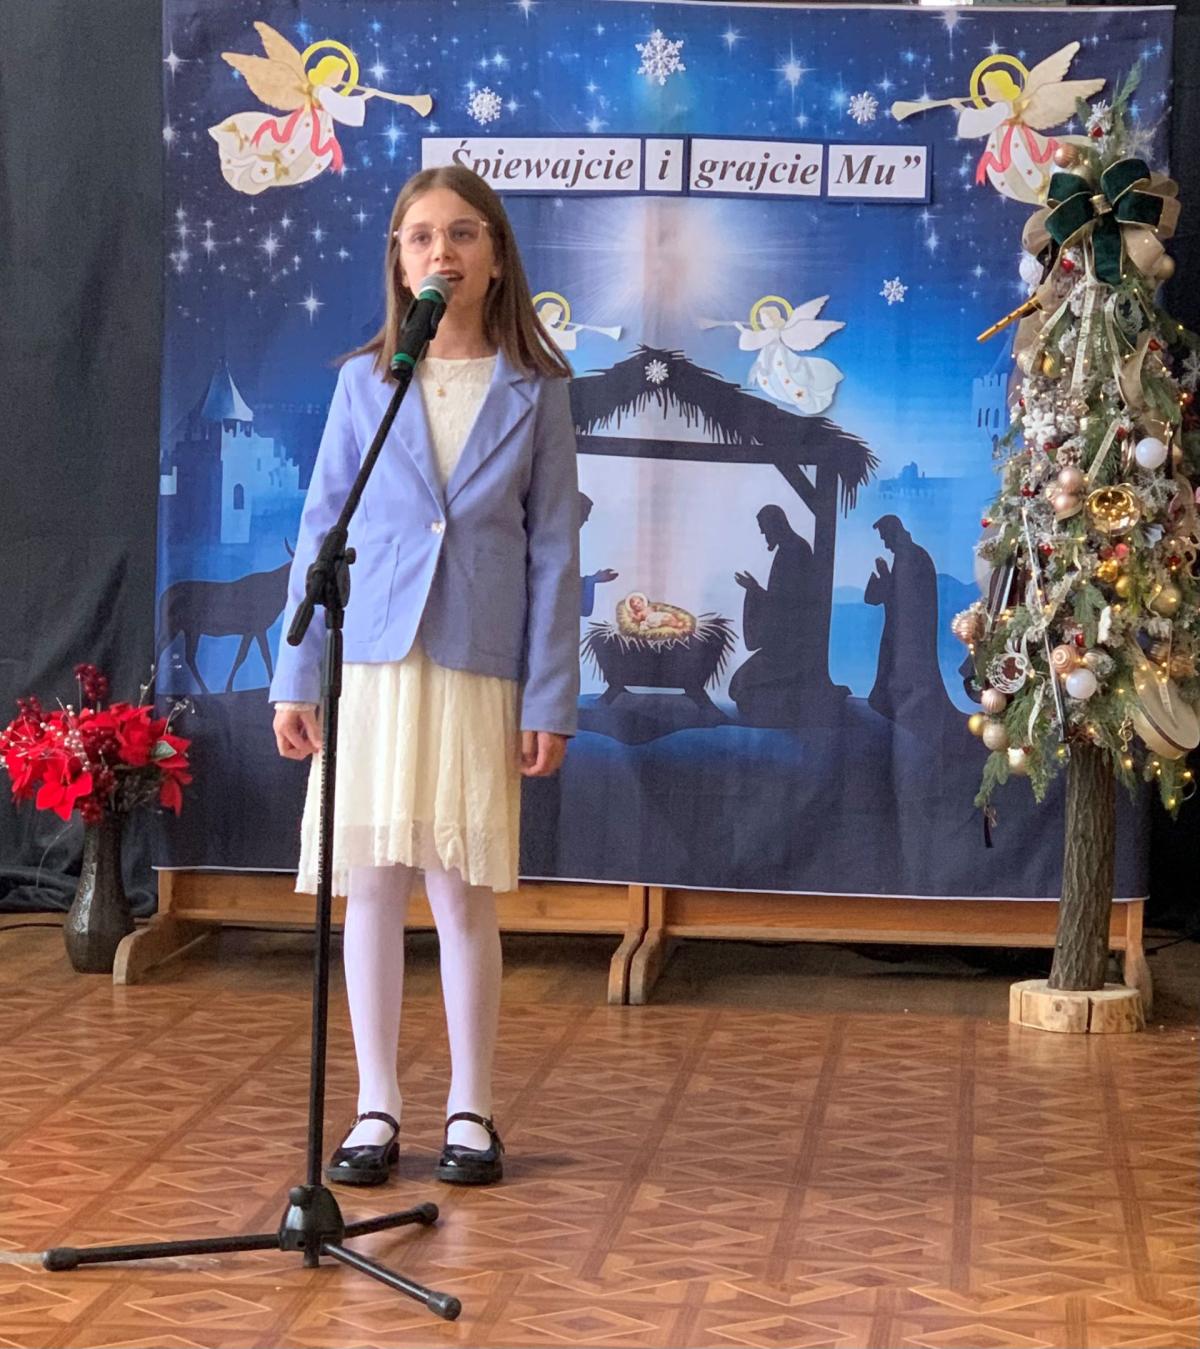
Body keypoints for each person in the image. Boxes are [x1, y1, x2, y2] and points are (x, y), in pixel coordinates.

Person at [269, 165, 580, 1188]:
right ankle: (375, 1105)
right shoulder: (367, 381)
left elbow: (554, 553)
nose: (440, 250)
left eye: (462, 233)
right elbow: (323, 524)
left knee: (460, 892)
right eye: (420, 236)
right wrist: (296, 674)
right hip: (373, 660)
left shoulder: (537, 387)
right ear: (400, 262)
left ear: (495, 255)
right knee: (369, 885)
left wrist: (549, 695)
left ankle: (470, 1108)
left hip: (475, 662)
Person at [865, 515, 950, 724]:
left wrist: (884, 578)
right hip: (902, 628)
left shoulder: (912, 556)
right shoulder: (909, 554)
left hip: (911, 632)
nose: (885, 543)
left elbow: (906, 595)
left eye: (885, 537)